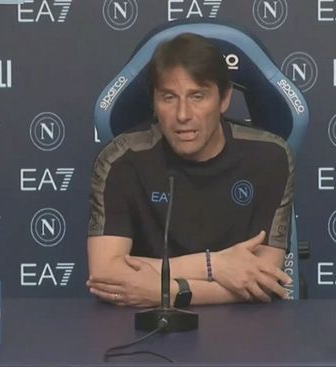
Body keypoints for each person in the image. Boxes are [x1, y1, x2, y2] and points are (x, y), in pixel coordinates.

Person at [87, 32, 295, 308]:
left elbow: (263, 280)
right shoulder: (120, 159)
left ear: (224, 99)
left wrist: (166, 291)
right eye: (169, 97)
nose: (183, 115)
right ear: (154, 102)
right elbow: (105, 274)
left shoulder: (270, 157)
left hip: (241, 324)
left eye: (197, 96)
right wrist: (214, 265)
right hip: (144, 324)